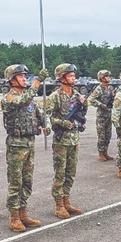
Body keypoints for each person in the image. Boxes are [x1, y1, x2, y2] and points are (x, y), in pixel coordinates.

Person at [1, 64, 49, 232]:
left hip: (29, 143)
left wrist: (46, 124)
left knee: (27, 181)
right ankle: (14, 217)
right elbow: (23, 101)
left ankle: (23, 212)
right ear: (12, 80)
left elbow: (41, 114)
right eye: (21, 76)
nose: (24, 79)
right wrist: (37, 82)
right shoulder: (9, 98)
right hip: (16, 144)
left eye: (25, 76)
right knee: (16, 182)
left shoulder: (29, 99)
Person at [45, 63, 85, 219]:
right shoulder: (55, 96)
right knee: (60, 174)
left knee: (71, 172)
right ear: (61, 78)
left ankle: (67, 200)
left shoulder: (77, 95)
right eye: (70, 75)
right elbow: (47, 116)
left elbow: (82, 113)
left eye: (74, 75)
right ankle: (59, 205)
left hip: (74, 139)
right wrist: (61, 123)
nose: (73, 78)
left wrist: (83, 103)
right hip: (61, 140)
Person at [88, 70, 115, 161]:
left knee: (108, 135)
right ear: (102, 78)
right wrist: (101, 105)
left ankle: (105, 152)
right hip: (101, 116)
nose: (109, 78)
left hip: (109, 114)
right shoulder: (99, 89)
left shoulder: (110, 88)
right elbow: (91, 99)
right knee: (102, 135)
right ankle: (101, 153)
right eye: (107, 76)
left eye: (109, 76)